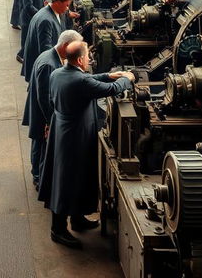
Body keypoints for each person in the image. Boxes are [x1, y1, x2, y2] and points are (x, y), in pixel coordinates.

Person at [38, 41, 135, 249]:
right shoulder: (80, 82)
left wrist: (109, 74)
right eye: (88, 57)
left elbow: (88, 79)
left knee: (76, 177)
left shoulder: (58, 73)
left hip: (63, 131)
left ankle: (77, 217)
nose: (90, 60)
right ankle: (58, 229)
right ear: (80, 60)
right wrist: (127, 79)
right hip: (74, 136)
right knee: (66, 181)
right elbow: (110, 89)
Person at [22, 30, 82, 189]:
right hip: (42, 114)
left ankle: (37, 175)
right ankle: (38, 177)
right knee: (41, 145)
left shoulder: (49, 56)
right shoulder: (49, 64)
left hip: (39, 110)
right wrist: (50, 121)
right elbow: (44, 96)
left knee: (39, 144)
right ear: (66, 45)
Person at [22, 0, 74, 82]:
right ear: (58, 3)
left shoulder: (55, 13)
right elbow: (45, 50)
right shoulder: (46, 21)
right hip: (42, 70)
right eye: (66, 5)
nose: (67, 9)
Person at [18, 0, 50, 64]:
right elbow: (28, 7)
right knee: (26, 41)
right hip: (29, 20)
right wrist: (41, 14)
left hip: (36, 18)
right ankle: (21, 56)